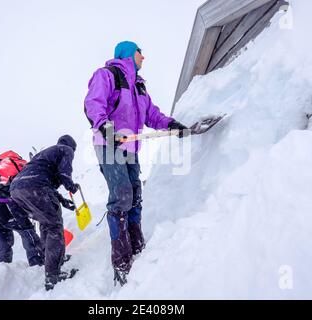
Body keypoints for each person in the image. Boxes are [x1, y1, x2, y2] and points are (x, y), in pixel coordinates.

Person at [84, 41, 189, 285]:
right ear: (130, 52)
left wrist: (171, 124)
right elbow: (93, 103)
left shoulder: (139, 87)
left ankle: (136, 244)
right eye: (142, 53)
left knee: (134, 194)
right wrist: (105, 127)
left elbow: (152, 114)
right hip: (109, 145)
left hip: (130, 147)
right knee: (121, 196)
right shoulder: (107, 75)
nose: (145, 57)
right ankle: (121, 260)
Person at [10, 135, 79, 290]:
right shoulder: (66, 150)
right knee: (54, 226)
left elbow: (45, 182)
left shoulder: (46, 154)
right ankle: (53, 275)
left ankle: (52, 259)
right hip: (35, 187)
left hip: (16, 190)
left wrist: (61, 200)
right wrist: (71, 187)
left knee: (46, 223)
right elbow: (64, 174)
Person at [0, 196, 44, 266]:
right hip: (2, 205)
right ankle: (39, 264)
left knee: (3, 243)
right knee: (27, 231)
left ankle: (1, 271)